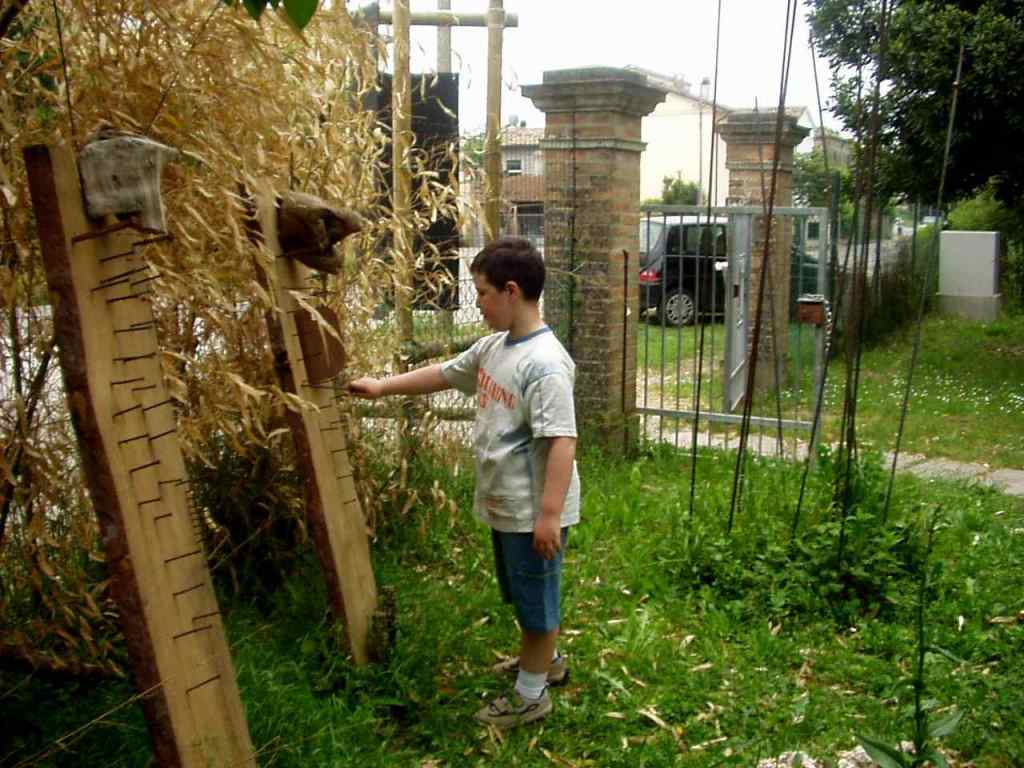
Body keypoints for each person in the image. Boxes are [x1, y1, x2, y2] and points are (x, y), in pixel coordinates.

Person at [348, 237, 580, 728]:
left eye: (482, 293)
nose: (478, 303)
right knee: (524, 593)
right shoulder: (495, 347)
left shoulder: (545, 363)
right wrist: (381, 387)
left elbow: (562, 440)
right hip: (508, 505)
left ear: (511, 291)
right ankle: (547, 662)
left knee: (537, 603)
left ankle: (531, 696)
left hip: (532, 512)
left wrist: (549, 515)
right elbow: (444, 373)